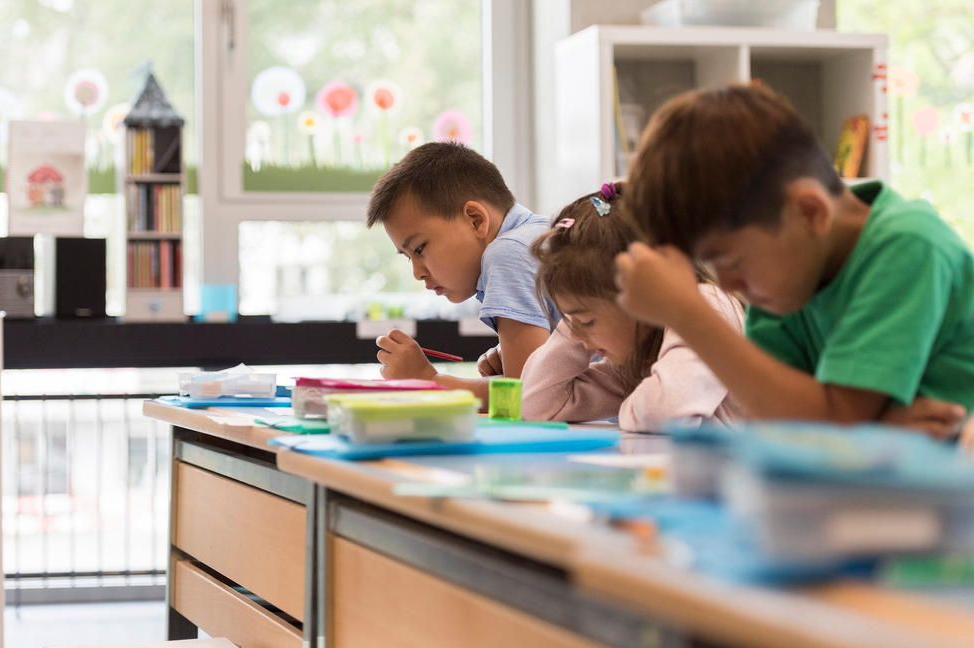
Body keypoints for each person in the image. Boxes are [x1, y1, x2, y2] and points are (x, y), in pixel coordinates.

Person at [613, 84, 972, 437]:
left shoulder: (906, 246)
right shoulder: (790, 280)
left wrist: (687, 313)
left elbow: (831, 420)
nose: (727, 286)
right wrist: (869, 430)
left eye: (733, 262)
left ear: (810, 211)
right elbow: (774, 425)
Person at [521, 182, 744, 431]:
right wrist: (577, 324)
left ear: (643, 298)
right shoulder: (638, 354)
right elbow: (537, 404)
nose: (573, 335)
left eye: (586, 321)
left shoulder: (705, 306)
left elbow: (664, 413)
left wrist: (628, 403)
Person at [366, 142, 556, 404]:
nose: (417, 273)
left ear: (475, 220)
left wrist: (429, 381)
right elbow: (538, 385)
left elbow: (528, 399)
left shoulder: (507, 253)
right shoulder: (536, 235)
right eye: (408, 257)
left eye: (420, 248)